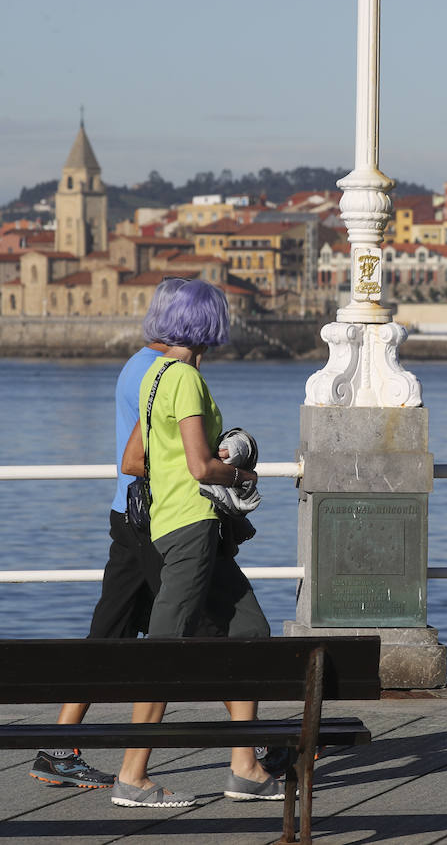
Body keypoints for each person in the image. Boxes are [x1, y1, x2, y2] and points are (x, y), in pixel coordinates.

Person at [112, 279, 280, 808]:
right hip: (192, 528)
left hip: (168, 524)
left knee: (250, 628)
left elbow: (134, 461)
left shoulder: (153, 375)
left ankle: (246, 766)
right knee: (166, 642)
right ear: (208, 323)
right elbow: (199, 466)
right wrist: (240, 473)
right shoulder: (185, 378)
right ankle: (132, 776)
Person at [29, 278, 190, 789]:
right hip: (157, 520)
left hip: (129, 514)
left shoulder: (137, 365)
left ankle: (58, 747)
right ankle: (257, 746)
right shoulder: (164, 371)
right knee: (215, 618)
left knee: (112, 631)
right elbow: (160, 453)